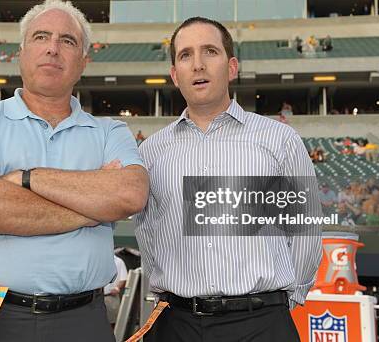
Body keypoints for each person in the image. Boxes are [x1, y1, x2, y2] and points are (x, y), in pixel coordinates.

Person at [0, 0, 149, 342]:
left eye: (67, 41)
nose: (52, 48)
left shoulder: (112, 131)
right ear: (21, 52)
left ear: (83, 62)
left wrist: (24, 179)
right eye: (41, 37)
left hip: (81, 318)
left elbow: (130, 194)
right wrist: (90, 211)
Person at [134, 17, 322, 342]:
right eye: (185, 55)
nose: (198, 65)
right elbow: (148, 235)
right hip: (177, 324)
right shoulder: (151, 151)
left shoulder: (279, 140)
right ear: (175, 75)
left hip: (262, 323)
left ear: (232, 67)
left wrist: (282, 302)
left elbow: (306, 231)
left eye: (210, 51)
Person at [104, 255, 128, 326]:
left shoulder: (119, 261)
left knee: (113, 322)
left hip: (111, 297)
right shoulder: (98, 260)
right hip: (97, 297)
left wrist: (117, 288)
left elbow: (123, 278)